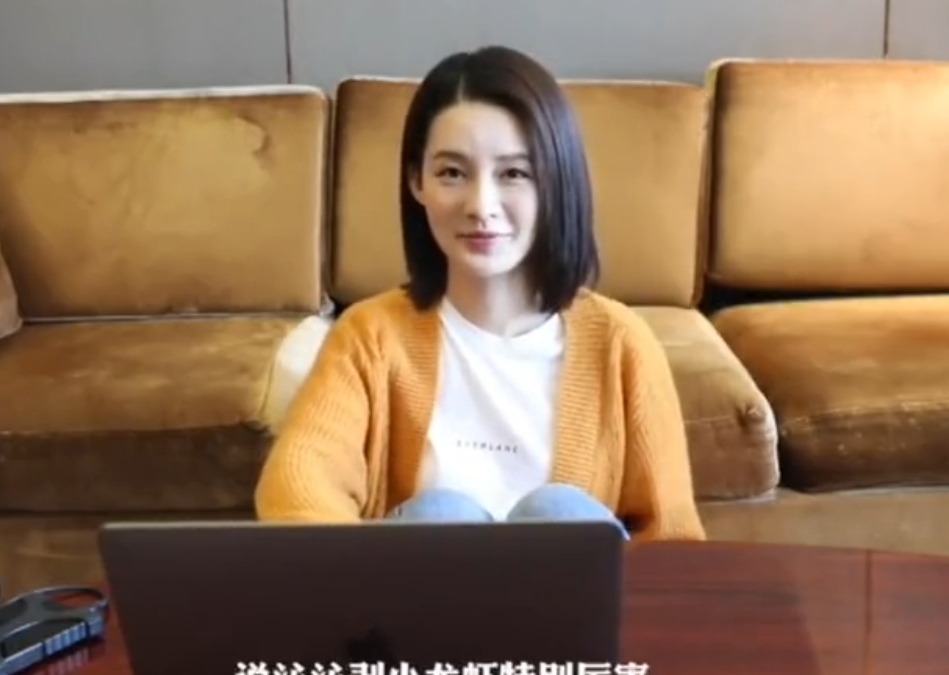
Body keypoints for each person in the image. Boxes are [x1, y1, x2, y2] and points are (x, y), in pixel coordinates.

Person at [254, 45, 707, 543]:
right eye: (452, 172)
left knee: (559, 512)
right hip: (423, 592)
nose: (481, 205)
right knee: (441, 516)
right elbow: (296, 486)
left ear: (555, 182)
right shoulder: (369, 336)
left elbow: (673, 538)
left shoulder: (623, 344)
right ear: (416, 181)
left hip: (570, 594)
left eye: (514, 173)